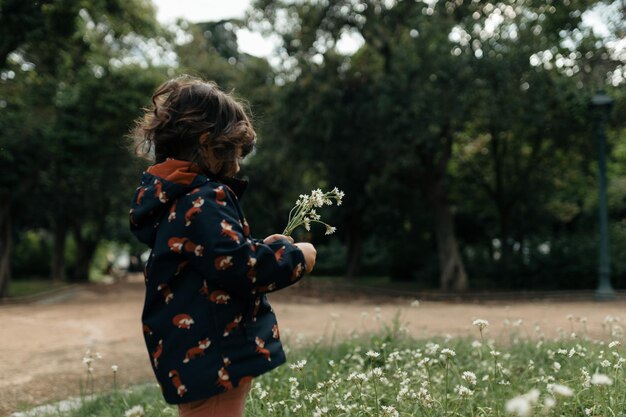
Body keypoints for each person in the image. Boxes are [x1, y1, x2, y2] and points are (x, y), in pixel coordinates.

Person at [128, 75, 316, 417]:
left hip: (186, 350)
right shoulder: (203, 198)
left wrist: (259, 245)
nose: (238, 164)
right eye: (234, 151)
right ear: (207, 143)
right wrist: (297, 256)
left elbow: (213, 257)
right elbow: (241, 268)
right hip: (216, 350)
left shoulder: (171, 199)